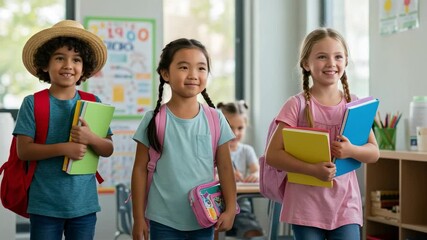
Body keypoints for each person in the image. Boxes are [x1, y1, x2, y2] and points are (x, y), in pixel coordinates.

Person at [265, 27, 380, 240]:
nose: (331, 63)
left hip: (346, 206)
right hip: (305, 206)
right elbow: (273, 155)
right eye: (321, 57)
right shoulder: (295, 105)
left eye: (338, 56)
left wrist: (351, 150)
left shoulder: (354, 104)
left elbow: (374, 153)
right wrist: (312, 170)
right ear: (306, 64)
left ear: (346, 62)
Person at [14, 20, 114, 240]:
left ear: (83, 68)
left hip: (85, 207)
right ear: (45, 64)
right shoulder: (32, 103)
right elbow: (24, 151)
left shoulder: (93, 102)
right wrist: (64, 148)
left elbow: (107, 148)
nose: (68, 65)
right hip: (44, 206)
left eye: (76, 59)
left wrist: (91, 138)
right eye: (60, 58)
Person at [131, 38, 237, 240]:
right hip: (162, 220)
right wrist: (138, 219)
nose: (193, 75)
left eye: (201, 68)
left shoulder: (216, 119)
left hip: (205, 218)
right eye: (183, 67)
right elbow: (139, 170)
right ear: (165, 73)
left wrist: (231, 209)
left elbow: (225, 168)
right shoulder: (153, 120)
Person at [217, 100, 264, 239]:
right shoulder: (214, 150)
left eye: (240, 128)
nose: (235, 133)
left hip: (239, 198)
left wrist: (255, 175)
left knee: (242, 209)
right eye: (229, 127)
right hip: (217, 197)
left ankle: (250, 231)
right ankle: (249, 230)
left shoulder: (246, 150)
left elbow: (257, 171)